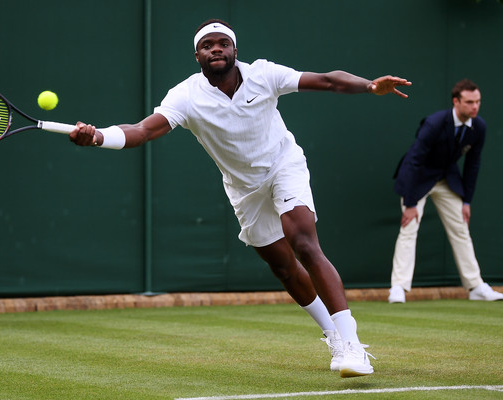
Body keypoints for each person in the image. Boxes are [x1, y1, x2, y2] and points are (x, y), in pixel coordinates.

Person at [70, 19, 411, 377]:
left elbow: (326, 79)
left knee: (304, 244)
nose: (215, 49)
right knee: (282, 266)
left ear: (235, 51)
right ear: (197, 56)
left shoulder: (264, 75)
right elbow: (142, 130)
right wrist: (97, 137)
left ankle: (352, 343)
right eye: (207, 45)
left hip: (283, 166)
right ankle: (333, 337)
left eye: (222, 43)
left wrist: (370, 85)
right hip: (243, 189)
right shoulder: (185, 96)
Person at [389, 79, 503, 303]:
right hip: (418, 177)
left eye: (478, 102)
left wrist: (467, 201)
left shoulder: (479, 127)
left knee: (461, 228)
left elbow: (473, 165)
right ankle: (398, 288)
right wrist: (411, 204)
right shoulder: (434, 123)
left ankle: (476, 286)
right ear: (456, 102)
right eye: (469, 102)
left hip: (446, 179)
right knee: (409, 227)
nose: (475, 107)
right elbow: (414, 161)